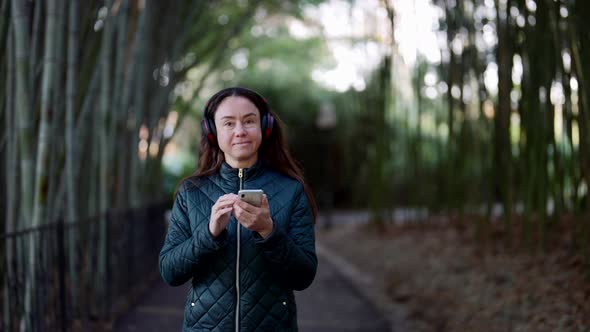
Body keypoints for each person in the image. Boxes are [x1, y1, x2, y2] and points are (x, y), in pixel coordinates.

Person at [159, 87, 318, 331]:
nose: (240, 131)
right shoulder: (191, 192)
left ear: (265, 126)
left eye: (249, 121)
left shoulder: (291, 190)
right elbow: (170, 272)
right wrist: (209, 234)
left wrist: (269, 231)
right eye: (228, 123)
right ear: (212, 131)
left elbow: (304, 275)